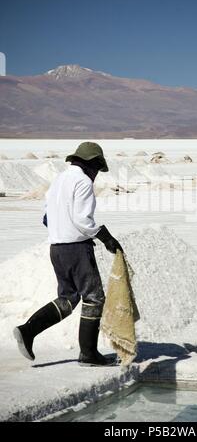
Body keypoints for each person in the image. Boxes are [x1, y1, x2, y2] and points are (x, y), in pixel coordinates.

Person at [13, 141, 122, 367]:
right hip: (76, 249)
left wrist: (61, 227)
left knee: (68, 298)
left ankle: (28, 330)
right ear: (91, 164)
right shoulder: (82, 181)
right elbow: (83, 220)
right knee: (94, 297)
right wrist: (105, 237)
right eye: (97, 170)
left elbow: (46, 216)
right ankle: (89, 354)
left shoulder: (59, 180)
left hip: (57, 249)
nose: (96, 176)